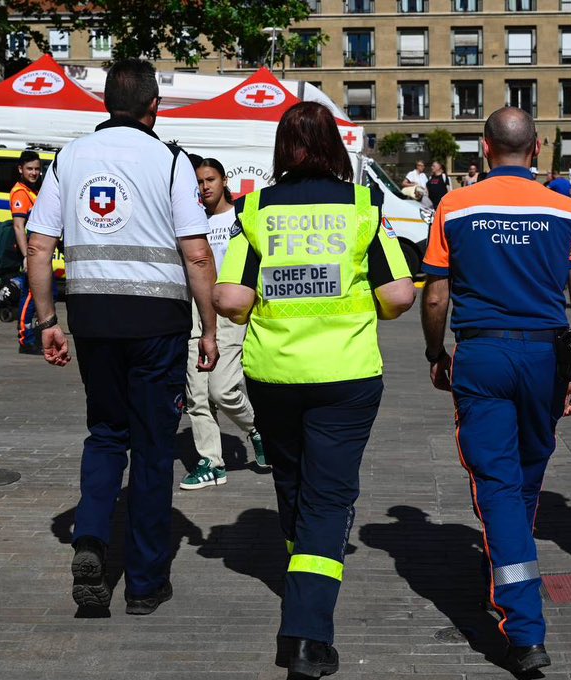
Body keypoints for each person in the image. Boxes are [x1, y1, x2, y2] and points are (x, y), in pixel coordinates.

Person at [214, 101, 415, 678]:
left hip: (273, 372)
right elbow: (399, 295)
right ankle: (305, 634)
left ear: (283, 148)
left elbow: (231, 299)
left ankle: (300, 572)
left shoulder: (254, 209)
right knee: (328, 501)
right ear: (334, 147)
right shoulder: (361, 206)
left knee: (292, 483)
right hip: (347, 373)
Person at [25, 59, 218, 616]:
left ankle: (89, 540)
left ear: (104, 103)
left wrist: (47, 323)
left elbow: (39, 246)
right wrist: (209, 328)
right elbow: (197, 252)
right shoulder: (173, 160)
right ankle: (145, 582)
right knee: (154, 448)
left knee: (106, 434)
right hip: (158, 322)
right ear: (154, 107)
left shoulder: (69, 158)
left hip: (93, 318)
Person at [420, 107, 571, 674]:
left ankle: (523, 629)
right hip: (545, 355)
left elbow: (435, 297)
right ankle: (508, 561)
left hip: (484, 353)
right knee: (525, 473)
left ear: (483, 146)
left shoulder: (455, 205)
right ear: (538, 148)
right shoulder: (566, 208)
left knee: (496, 484)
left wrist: (435, 352)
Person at [179, 158, 266, 490]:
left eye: (210, 179)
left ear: (224, 180)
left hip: (229, 310)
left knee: (223, 389)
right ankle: (211, 463)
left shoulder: (242, 218)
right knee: (197, 396)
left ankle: (257, 429)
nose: (205, 187)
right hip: (196, 312)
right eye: (200, 182)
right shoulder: (192, 220)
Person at [10, 150, 44, 354]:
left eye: (37, 169)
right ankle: (25, 339)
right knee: (31, 294)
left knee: (45, 293)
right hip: (30, 253)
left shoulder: (33, 190)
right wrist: (26, 256)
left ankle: (37, 335)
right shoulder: (20, 192)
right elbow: (18, 226)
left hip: (38, 251)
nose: (34, 173)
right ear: (20, 169)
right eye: (30, 169)